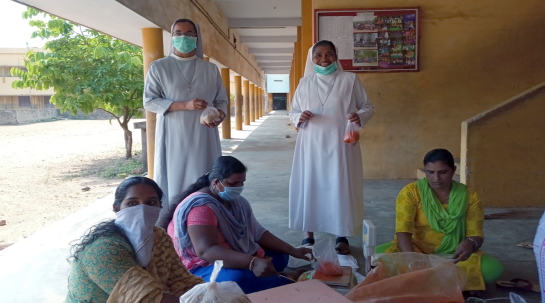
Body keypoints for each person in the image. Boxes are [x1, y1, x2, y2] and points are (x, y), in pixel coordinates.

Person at [167, 156, 313, 294]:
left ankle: (274, 278)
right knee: (237, 280)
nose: (239, 187)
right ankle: (286, 278)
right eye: (233, 183)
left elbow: (257, 233)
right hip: (203, 265)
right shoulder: (201, 208)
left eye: (241, 183)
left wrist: (292, 250)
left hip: (230, 252)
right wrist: (252, 262)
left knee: (281, 256)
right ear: (215, 182)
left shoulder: (237, 202)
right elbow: (206, 251)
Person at [288, 40, 374, 254]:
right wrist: (300, 116)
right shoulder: (305, 83)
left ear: (336, 56)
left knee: (339, 186)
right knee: (311, 184)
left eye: (329, 54)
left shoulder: (350, 80)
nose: (324, 59)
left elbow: (367, 106)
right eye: (318, 55)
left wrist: (358, 115)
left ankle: (340, 234)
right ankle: (309, 235)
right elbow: (292, 111)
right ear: (312, 58)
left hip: (340, 143)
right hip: (311, 144)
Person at [376, 149, 504, 291]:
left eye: (442, 172)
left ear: (453, 170)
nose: (436, 178)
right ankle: (447, 283)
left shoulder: (469, 196)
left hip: (453, 254)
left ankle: (423, 282)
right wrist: (412, 260)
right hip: (415, 249)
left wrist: (470, 243)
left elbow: (476, 234)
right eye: (430, 172)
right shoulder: (411, 192)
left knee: (493, 269)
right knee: (377, 262)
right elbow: (403, 231)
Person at [144, 18, 228, 228]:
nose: (183, 37)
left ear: (197, 38)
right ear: (171, 37)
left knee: (205, 176)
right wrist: (184, 105)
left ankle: (205, 223)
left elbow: (222, 101)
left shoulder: (210, 69)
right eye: (178, 33)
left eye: (189, 33)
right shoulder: (159, 67)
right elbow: (150, 101)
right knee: (176, 180)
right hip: (175, 136)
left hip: (204, 136)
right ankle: (174, 226)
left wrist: (220, 114)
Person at [66, 177, 203, 303]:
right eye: (132, 203)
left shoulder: (159, 238)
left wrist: (210, 292)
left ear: (159, 206)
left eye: (150, 203)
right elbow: (148, 299)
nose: (142, 209)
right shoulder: (102, 250)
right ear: (116, 207)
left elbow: (181, 281)